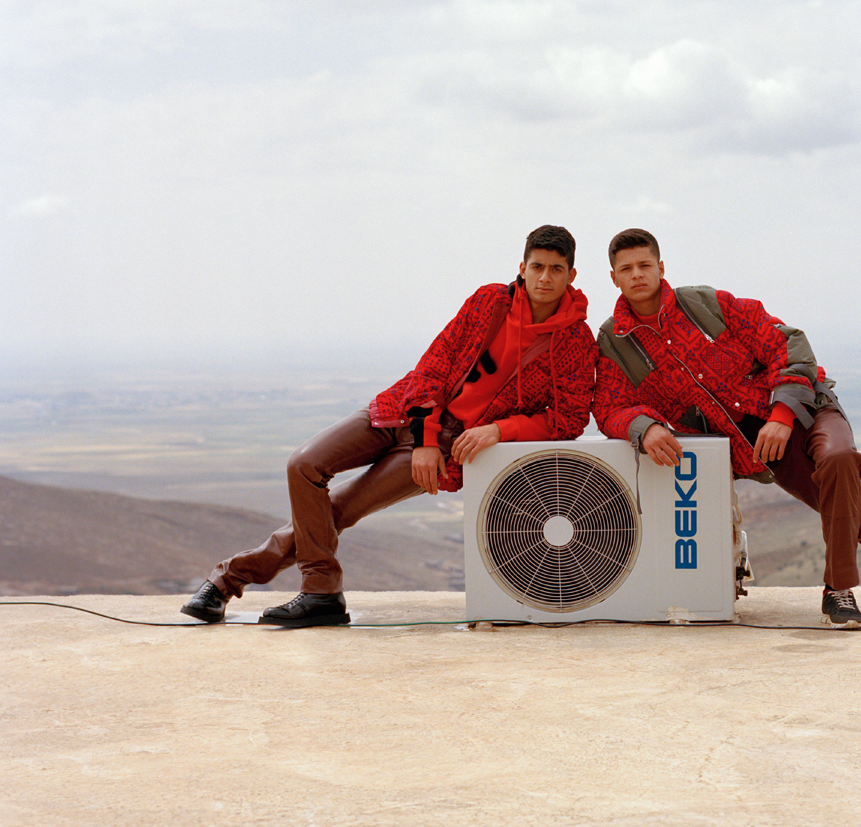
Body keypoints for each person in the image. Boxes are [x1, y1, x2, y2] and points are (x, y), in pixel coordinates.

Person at [591, 228, 861, 628]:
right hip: (759, 448)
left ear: (661, 267)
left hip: (807, 409)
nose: (637, 274)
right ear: (614, 277)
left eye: (645, 265)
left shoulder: (708, 304)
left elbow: (788, 342)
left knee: (841, 459)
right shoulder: (615, 341)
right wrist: (644, 426)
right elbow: (610, 405)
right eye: (626, 269)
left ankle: (837, 590)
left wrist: (782, 414)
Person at [182, 225, 596, 626]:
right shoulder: (489, 302)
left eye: (556, 269)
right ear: (522, 267)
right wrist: (425, 436)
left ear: (571, 275)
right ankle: (315, 591)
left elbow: (570, 418)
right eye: (537, 266)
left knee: (341, 510)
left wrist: (500, 431)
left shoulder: (576, 341)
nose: (545, 277)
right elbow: (435, 363)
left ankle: (247, 585)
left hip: (452, 450)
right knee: (303, 464)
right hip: (404, 411)